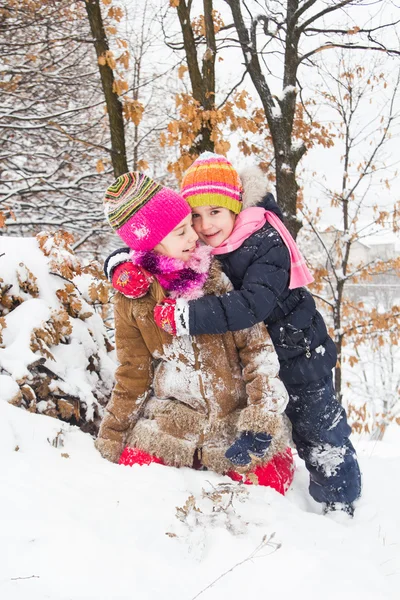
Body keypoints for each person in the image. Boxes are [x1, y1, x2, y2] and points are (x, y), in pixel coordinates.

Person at [104, 154, 362, 517]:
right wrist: (119, 264)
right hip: (252, 363)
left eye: (214, 212)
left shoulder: (263, 241)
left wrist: (186, 315)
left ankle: (340, 502)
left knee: (319, 432)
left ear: (235, 207)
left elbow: (251, 305)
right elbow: (151, 242)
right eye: (194, 216)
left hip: (297, 354)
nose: (202, 227)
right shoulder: (203, 248)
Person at [96, 171, 294, 494]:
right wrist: (111, 438)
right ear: (152, 244)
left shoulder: (214, 278)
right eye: (181, 231)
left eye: (191, 224)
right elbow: (132, 373)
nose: (195, 237)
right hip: (174, 422)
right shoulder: (133, 299)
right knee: (135, 481)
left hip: (231, 418)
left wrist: (260, 418)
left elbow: (257, 351)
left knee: (267, 486)